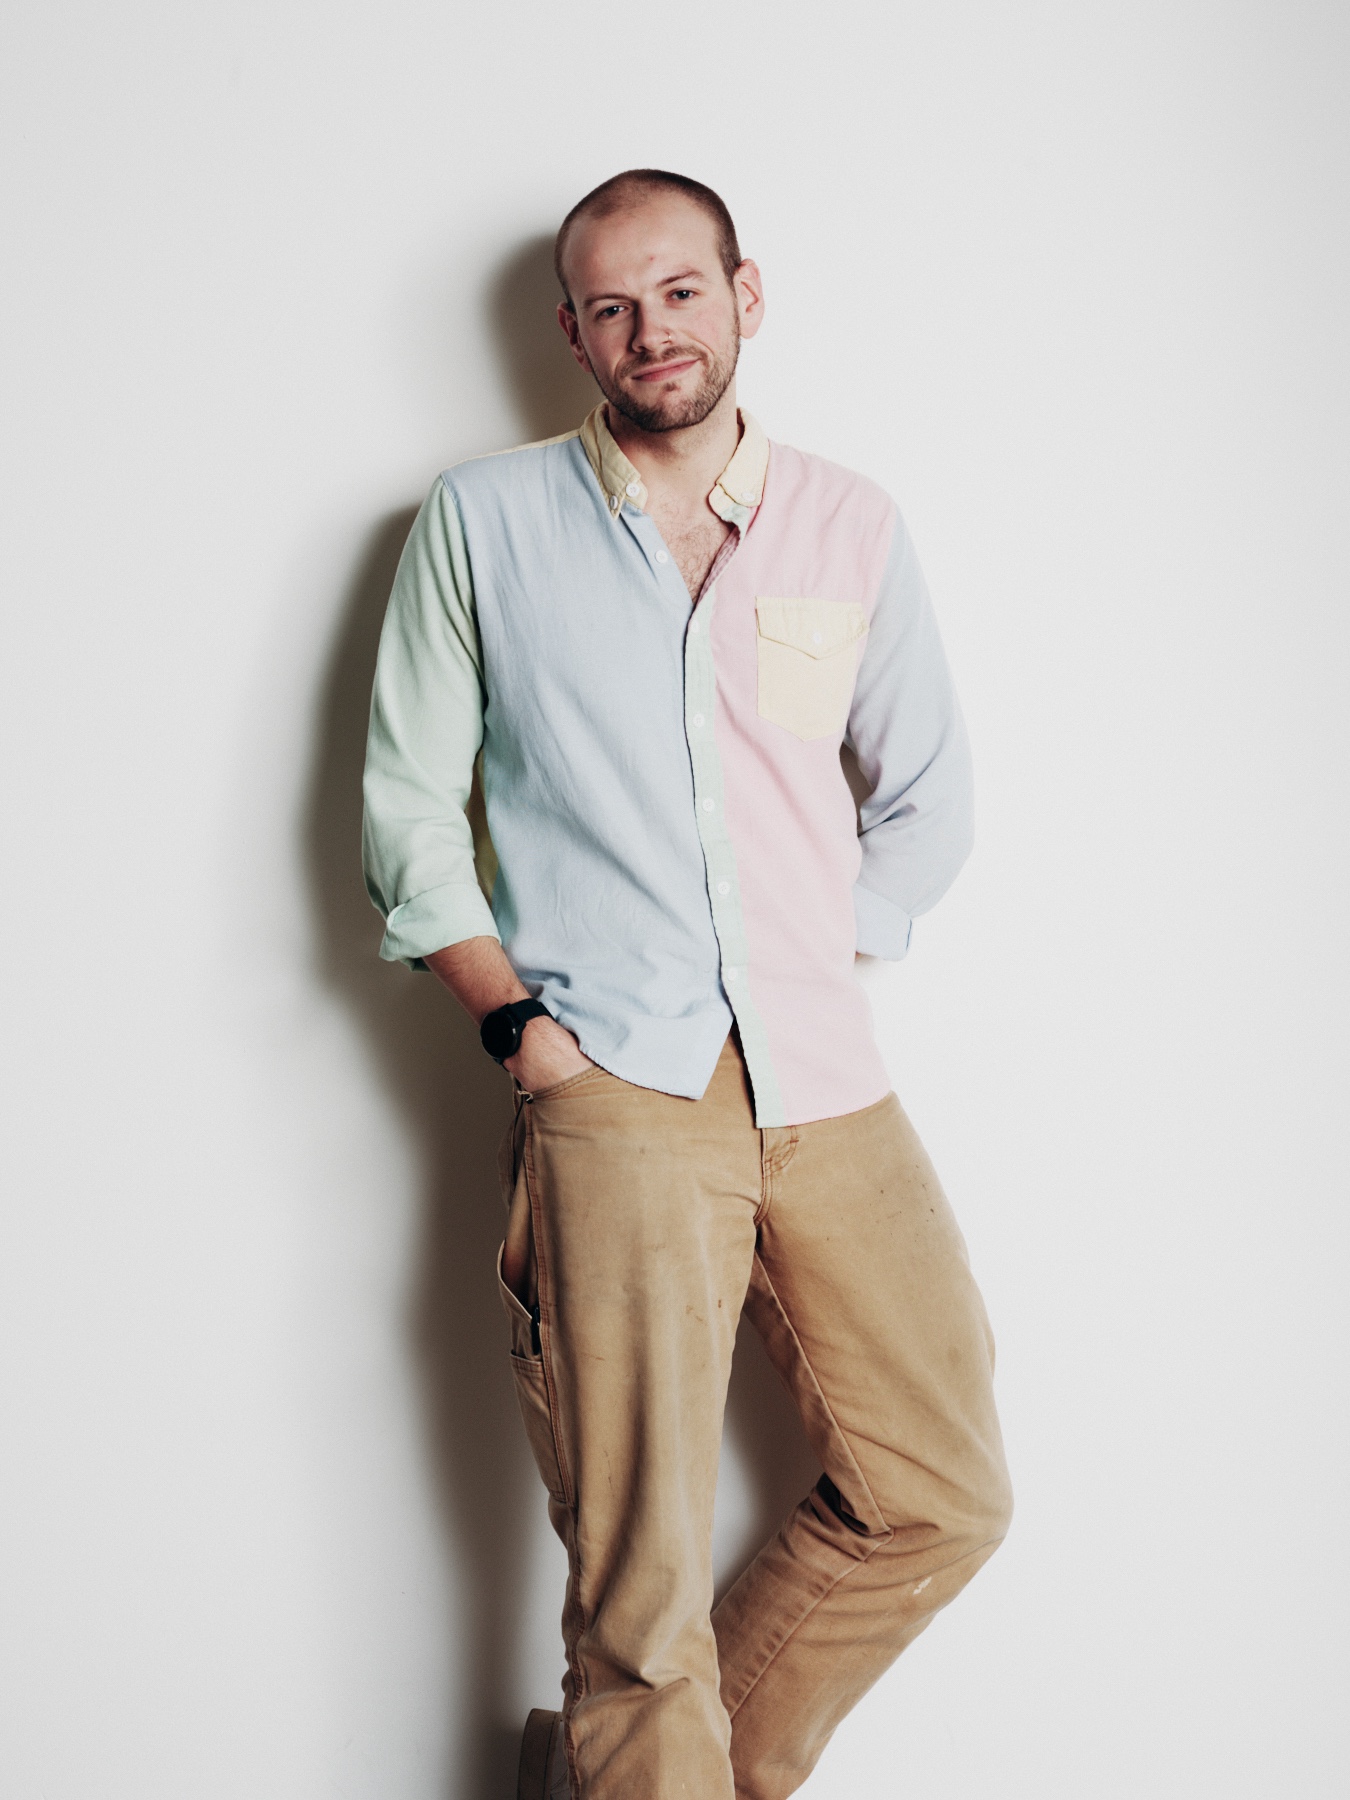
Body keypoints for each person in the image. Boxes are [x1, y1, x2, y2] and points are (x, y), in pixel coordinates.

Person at [362, 168, 1012, 1800]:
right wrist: (523, 1033)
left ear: (744, 295)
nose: (650, 331)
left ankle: (620, 1789)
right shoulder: (482, 522)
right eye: (611, 305)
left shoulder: (848, 522)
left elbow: (923, 795)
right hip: (612, 1088)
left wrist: (810, 943)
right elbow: (402, 811)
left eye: (679, 292)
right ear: (570, 331)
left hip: (823, 1075)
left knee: (939, 1490)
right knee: (634, 1586)